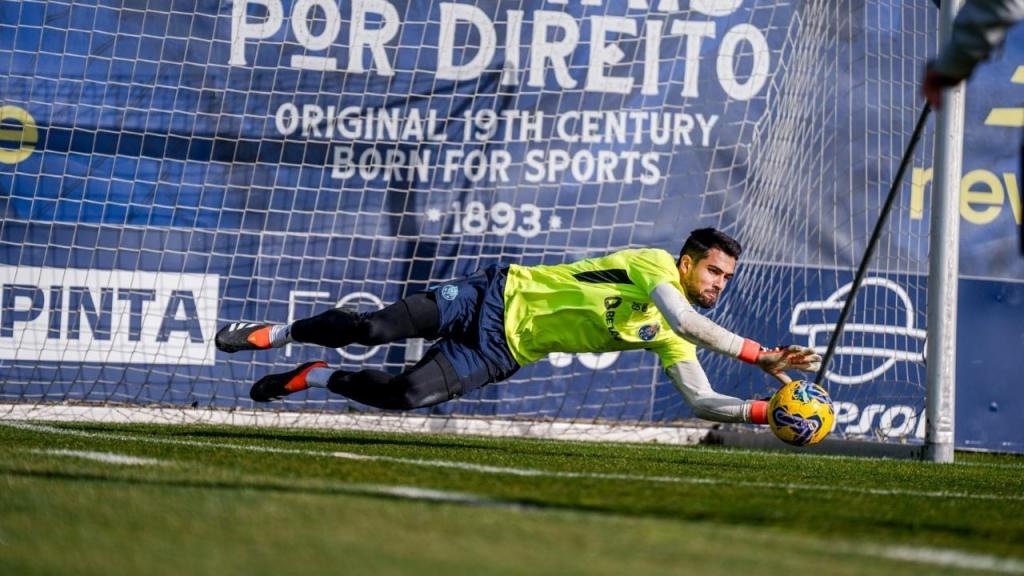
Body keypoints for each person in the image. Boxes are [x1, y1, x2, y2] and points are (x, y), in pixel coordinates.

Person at [215, 228, 821, 426]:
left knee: (405, 397)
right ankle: (282, 332)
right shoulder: (654, 267)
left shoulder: (667, 335)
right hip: (491, 296)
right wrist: (761, 354)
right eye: (713, 271)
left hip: (503, 350)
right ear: (687, 263)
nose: (718, 283)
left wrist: (770, 412)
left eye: (726, 279)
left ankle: (316, 376)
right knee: (372, 328)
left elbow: (701, 400)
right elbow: (685, 315)